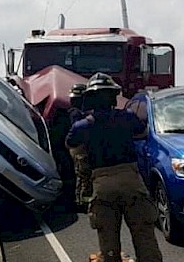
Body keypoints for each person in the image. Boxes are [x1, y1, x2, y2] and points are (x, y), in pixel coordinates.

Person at [66, 73, 162, 262]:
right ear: (113, 96)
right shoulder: (127, 117)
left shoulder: (82, 126)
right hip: (131, 180)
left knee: (108, 242)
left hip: (102, 184)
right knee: (144, 236)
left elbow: (72, 146)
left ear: (90, 98)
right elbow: (142, 132)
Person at [66, 83, 92, 208]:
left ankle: (81, 199)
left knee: (82, 174)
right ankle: (82, 201)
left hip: (77, 148)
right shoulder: (75, 114)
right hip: (79, 148)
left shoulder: (74, 112)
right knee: (83, 174)